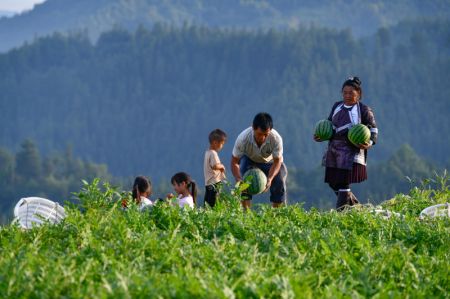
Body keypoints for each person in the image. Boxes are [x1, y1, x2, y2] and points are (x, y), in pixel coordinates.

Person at [314, 76, 378, 210]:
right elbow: (329, 124)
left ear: (358, 94)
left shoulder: (364, 110)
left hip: (351, 151)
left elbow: (373, 129)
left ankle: (341, 213)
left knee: (343, 183)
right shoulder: (337, 106)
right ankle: (357, 207)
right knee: (333, 182)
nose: (347, 96)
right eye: (345, 93)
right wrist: (321, 135)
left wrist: (370, 142)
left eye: (351, 93)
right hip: (334, 150)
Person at [231, 112, 287, 209]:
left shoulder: (276, 139)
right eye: (260, 134)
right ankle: (246, 215)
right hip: (250, 159)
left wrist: (270, 178)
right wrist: (238, 178)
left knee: (279, 184)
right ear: (253, 127)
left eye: (266, 135)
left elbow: (277, 161)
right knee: (244, 185)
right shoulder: (243, 138)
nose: (263, 138)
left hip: (271, 162)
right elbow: (234, 161)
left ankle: (277, 216)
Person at [204, 129, 227, 207]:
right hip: (215, 182)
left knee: (208, 201)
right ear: (215, 142)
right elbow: (215, 166)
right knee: (214, 202)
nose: (222, 146)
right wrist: (222, 166)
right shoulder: (213, 154)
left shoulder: (207, 152)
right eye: (222, 144)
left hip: (208, 182)